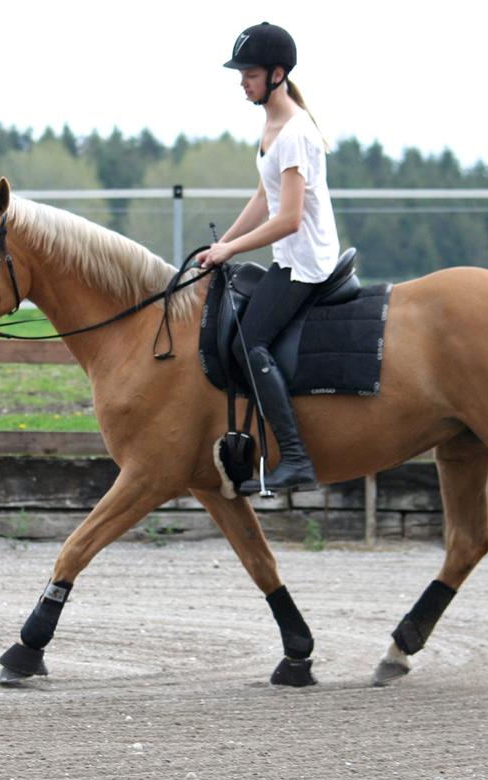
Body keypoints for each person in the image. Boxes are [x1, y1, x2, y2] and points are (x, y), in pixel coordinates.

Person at [198, 21, 340, 495]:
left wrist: (233, 248)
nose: (242, 81)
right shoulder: (272, 126)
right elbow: (264, 198)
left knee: (248, 342)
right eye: (241, 73)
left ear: (277, 74)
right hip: (288, 257)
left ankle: (296, 458)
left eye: (250, 73)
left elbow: (290, 218)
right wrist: (220, 249)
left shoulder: (295, 132)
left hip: (307, 262)